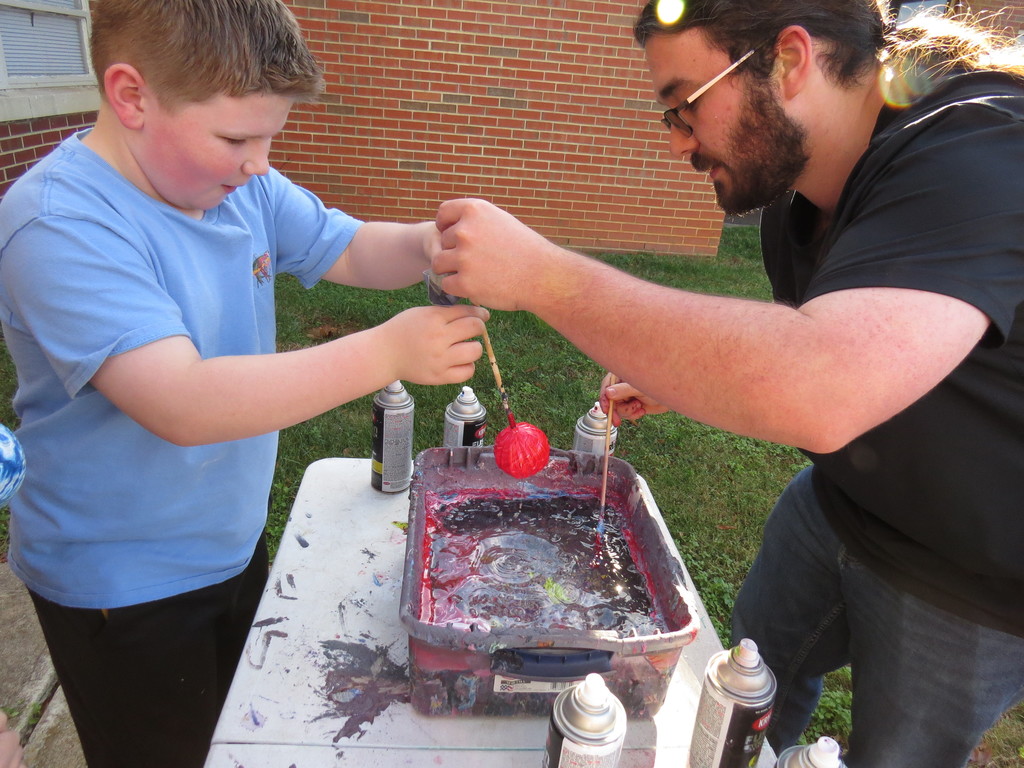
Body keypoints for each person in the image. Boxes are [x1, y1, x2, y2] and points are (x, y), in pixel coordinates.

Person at [431, 0, 1024, 765]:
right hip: (836, 506)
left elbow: (822, 384)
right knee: (739, 697)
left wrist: (547, 278)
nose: (679, 140)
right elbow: (838, 340)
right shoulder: (798, 199)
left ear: (789, 58)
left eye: (686, 103)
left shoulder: (979, 153)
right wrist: (691, 376)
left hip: (966, 579)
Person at [0, 1, 487, 767]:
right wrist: (385, 351)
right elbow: (182, 401)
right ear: (130, 96)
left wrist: (434, 246)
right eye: (236, 137)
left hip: (227, 539)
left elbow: (351, 248)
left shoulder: (239, 186)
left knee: (234, 740)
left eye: (269, 138)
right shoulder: (58, 224)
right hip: (120, 587)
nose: (259, 161)